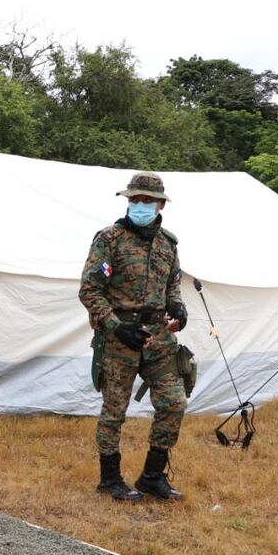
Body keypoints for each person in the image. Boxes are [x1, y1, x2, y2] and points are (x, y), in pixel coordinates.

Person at [79, 171, 188, 502]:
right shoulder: (109, 239)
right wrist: (115, 326)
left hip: (158, 339)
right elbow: (89, 289)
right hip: (118, 337)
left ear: (159, 205)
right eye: (135, 200)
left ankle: (152, 476)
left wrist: (179, 309)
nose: (140, 205)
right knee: (114, 411)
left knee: (174, 403)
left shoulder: (168, 243)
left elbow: (173, 285)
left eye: (147, 200)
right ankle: (110, 479)